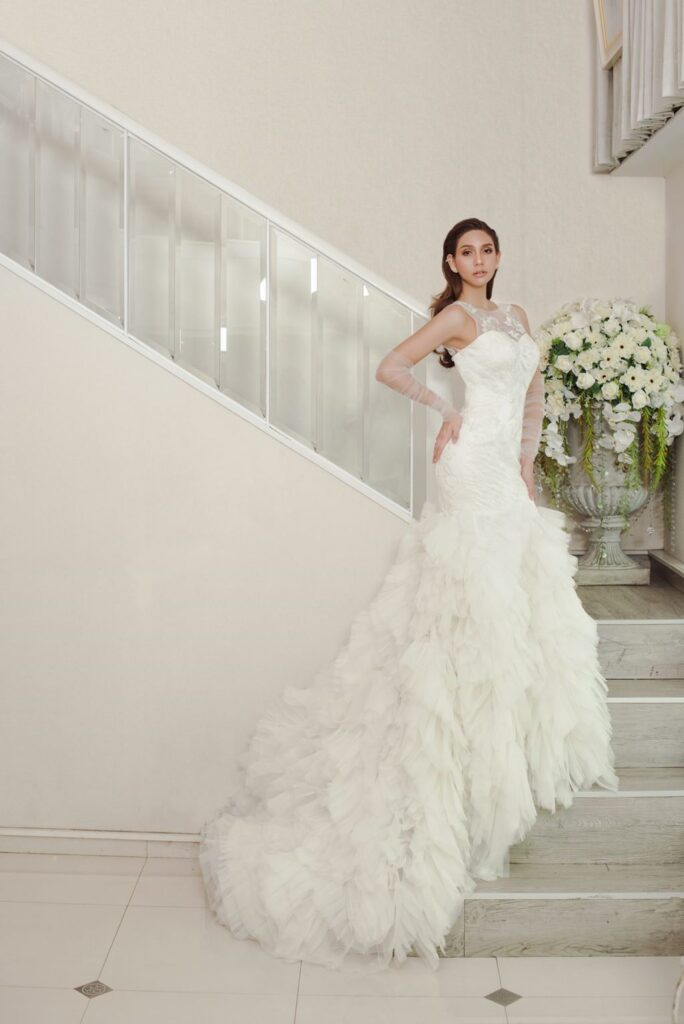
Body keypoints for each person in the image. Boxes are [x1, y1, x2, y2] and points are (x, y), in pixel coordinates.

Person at [199, 217, 619, 976]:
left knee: (513, 600)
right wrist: (446, 411)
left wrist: (528, 464)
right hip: (468, 468)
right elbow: (391, 367)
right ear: (451, 262)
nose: (479, 260)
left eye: (487, 250)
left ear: (498, 256)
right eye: (466, 252)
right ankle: (458, 770)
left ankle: (498, 764)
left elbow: (533, 394)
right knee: (465, 602)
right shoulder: (454, 318)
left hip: (505, 474)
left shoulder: (517, 316)